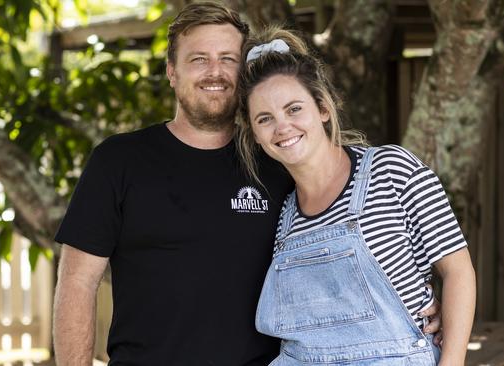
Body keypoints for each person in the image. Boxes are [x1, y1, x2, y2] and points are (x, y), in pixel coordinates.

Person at [52, 2, 442, 365]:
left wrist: (410, 307)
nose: (215, 72)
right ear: (171, 71)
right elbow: (76, 284)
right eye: (198, 59)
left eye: (228, 59)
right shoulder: (118, 161)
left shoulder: (278, 161)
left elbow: (345, 246)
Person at [236, 27, 475, 366]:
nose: (282, 127)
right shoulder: (284, 214)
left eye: (294, 109)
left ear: (322, 108)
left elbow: (458, 271)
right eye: (265, 119)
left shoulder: (392, 169)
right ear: (256, 135)